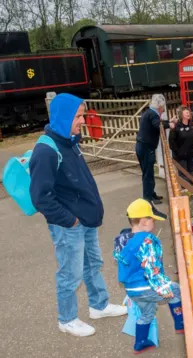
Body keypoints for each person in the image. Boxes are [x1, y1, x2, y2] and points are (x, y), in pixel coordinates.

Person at [29, 93, 127, 337]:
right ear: (63, 117)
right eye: (79, 116)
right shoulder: (46, 151)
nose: (83, 120)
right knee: (69, 274)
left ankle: (99, 305)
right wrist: (70, 220)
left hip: (85, 220)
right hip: (69, 225)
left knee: (93, 264)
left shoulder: (69, 141)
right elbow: (41, 197)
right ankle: (67, 319)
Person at [113, 199, 184, 354]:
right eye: (152, 219)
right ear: (144, 221)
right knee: (176, 289)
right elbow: (153, 270)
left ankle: (140, 343)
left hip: (132, 290)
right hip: (146, 286)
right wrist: (165, 289)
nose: (154, 223)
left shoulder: (123, 240)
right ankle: (181, 324)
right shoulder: (147, 241)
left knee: (147, 312)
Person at [136, 94, 177, 204]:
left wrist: (169, 122)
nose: (163, 109)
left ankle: (151, 193)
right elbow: (157, 125)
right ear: (160, 106)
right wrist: (170, 125)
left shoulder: (150, 113)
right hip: (146, 148)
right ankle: (148, 197)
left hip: (143, 146)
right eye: (163, 107)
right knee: (148, 173)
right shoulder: (153, 115)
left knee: (148, 172)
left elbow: (159, 122)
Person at [168, 106, 193, 186]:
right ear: (181, 115)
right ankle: (186, 190)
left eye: (189, 112)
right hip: (181, 157)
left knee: (192, 172)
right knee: (183, 174)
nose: (188, 113)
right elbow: (171, 142)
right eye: (186, 112)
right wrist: (178, 153)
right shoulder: (176, 127)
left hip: (191, 156)